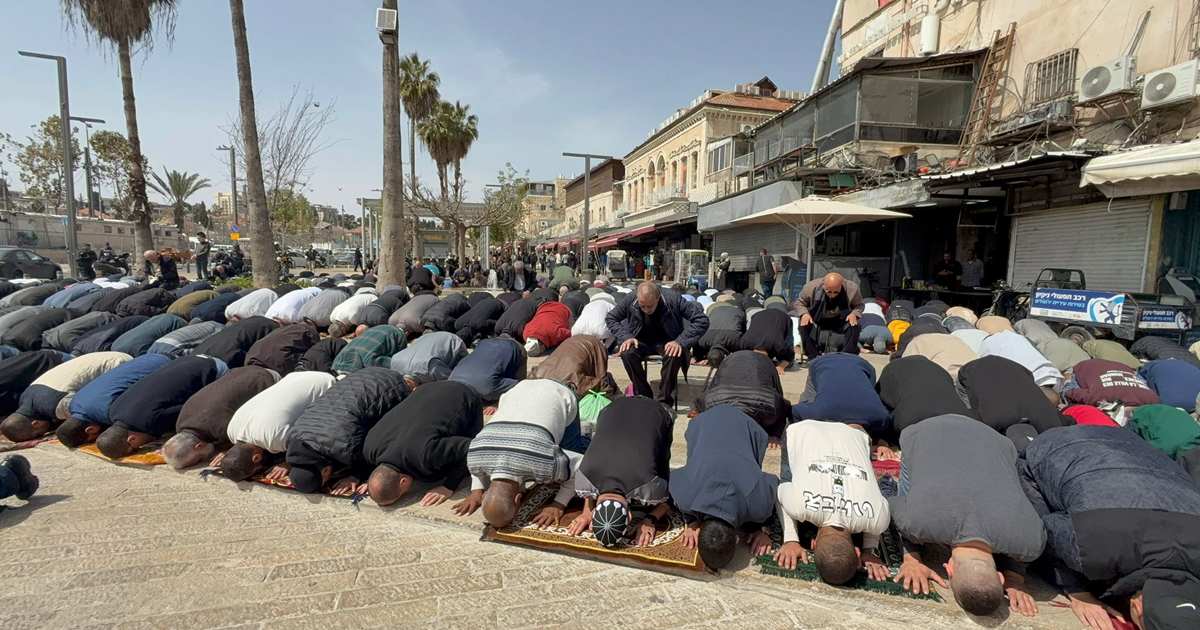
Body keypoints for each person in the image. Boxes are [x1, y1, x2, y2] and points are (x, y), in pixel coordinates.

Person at [1020, 425, 1200, 630]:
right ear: (1138, 607)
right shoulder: (1092, 551)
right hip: (1060, 443)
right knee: (1032, 497)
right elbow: (1046, 529)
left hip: (1128, 443)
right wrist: (1077, 591)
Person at [889, 415, 1045, 617]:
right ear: (949, 570)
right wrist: (912, 559)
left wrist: (1015, 579)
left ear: (1000, 576)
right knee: (908, 498)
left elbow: (1021, 551)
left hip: (991, 438)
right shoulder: (917, 523)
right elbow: (890, 504)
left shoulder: (1032, 542)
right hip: (925, 432)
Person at [773, 419, 892, 585]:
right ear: (813, 545)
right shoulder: (800, 507)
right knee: (789, 482)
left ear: (857, 552)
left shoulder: (878, 520)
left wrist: (870, 549)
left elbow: (877, 512)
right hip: (802, 429)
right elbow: (781, 492)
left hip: (854, 435)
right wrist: (791, 539)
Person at [464, 380, 587, 526]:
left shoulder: (544, 463)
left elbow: (581, 466)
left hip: (559, 393)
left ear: (518, 499)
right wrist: (476, 490)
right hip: (517, 389)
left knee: (573, 454)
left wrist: (559, 504)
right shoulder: (475, 455)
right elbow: (477, 468)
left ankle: (586, 432)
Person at [671, 405, 779, 569]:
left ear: (736, 539)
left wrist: (763, 529)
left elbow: (776, 483)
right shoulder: (685, 497)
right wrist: (691, 521)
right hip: (703, 422)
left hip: (746, 424)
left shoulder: (760, 505)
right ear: (736, 539)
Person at [567, 397, 674, 547]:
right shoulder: (582, 480)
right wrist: (586, 510)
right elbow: (588, 493)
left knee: (662, 466)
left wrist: (650, 520)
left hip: (657, 411)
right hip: (613, 406)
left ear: (630, 516)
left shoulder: (648, 486)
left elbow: (669, 498)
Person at [284, 367, 410, 494]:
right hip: (360, 375)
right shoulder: (293, 437)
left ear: (326, 471)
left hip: (391, 385)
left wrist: (357, 476)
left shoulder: (345, 447)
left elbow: (373, 452)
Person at [364, 380, 484, 507]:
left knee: (471, 465)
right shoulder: (370, 448)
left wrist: (448, 486)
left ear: (403, 482)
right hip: (426, 388)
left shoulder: (426, 455)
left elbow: (472, 447)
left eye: (401, 495)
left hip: (464, 394)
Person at [96, 355, 227, 459]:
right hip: (188, 360)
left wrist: (171, 445)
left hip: (212, 369)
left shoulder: (150, 422)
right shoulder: (113, 411)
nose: (141, 447)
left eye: (135, 448)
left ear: (132, 439)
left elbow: (194, 410)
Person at [605, 283, 709, 407]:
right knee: (627, 353)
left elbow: (702, 320)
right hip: (640, 341)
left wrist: (680, 341)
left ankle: (664, 401)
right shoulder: (631, 299)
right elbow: (611, 317)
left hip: (668, 340)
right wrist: (626, 337)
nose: (646, 310)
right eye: (642, 306)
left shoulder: (673, 298)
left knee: (674, 354)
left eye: (650, 306)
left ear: (658, 298)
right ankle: (643, 396)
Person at [162, 365, 280, 469]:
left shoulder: (222, 428)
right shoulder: (181, 423)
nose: (203, 459)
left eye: (199, 459)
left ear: (199, 446)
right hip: (242, 371)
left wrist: (232, 451)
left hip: (267, 379)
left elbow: (253, 441)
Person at [1, 351, 131, 443]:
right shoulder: (26, 396)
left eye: (39, 434)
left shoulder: (57, 406)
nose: (43, 434)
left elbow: (92, 414)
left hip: (118, 364)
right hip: (102, 356)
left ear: (36, 423)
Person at [792, 353, 891, 438]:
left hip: (861, 364)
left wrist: (882, 441)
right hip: (823, 362)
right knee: (808, 402)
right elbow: (794, 411)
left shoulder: (881, 417)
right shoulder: (821, 412)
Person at [877, 356, 972, 432]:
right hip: (960, 416)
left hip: (913, 418)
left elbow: (880, 402)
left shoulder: (892, 369)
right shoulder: (938, 368)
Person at [792, 273, 864, 359]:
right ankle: (812, 355)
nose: (832, 295)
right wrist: (805, 314)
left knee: (855, 325)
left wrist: (854, 314)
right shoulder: (810, 287)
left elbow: (859, 305)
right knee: (804, 324)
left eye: (836, 292)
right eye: (829, 291)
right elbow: (799, 303)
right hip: (817, 318)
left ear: (841, 285)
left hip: (841, 318)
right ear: (823, 285)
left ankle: (847, 356)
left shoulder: (852, 289)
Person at [530, 334, 617, 399]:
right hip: (578, 343)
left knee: (602, 381)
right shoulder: (537, 375)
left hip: (591, 345)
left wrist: (608, 390)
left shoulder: (574, 382)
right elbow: (601, 386)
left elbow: (601, 385)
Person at [448, 337, 526, 408]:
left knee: (519, 393)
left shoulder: (488, 389)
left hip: (514, 346)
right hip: (486, 343)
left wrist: (497, 403)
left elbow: (520, 385)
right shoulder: (450, 380)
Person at [388, 331, 467, 390]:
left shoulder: (430, 368)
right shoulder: (394, 362)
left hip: (454, 340)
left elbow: (452, 383)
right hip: (428, 337)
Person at [739, 307, 795, 374]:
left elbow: (790, 355)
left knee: (790, 364)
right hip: (759, 315)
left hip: (782, 317)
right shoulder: (744, 342)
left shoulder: (778, 344)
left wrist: (781, 367)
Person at [331, 325, 407, 374]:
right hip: (378, 329)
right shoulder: (336, 362)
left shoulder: (369, 363)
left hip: (393, 334)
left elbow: (395, 364)